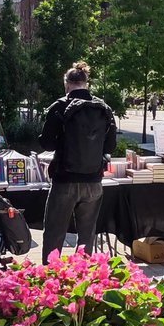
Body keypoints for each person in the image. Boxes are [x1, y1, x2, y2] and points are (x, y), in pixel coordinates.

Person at [39, 62, 117, 257]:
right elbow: (110, 147)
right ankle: (84, 277)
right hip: (94, 182)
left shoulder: (59, 106)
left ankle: (51, 278)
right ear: (86, 83)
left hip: (65, 180)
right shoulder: (103, 108)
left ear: (66, 84)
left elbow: (47, 144)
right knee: (87, 236)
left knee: (55, 234)